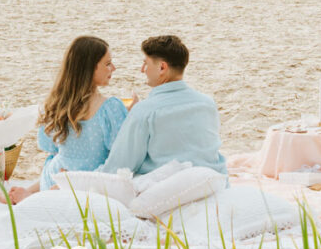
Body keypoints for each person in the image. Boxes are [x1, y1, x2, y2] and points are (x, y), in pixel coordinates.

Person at [2, 35, 129, 204]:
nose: (113, 68)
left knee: (57, 162)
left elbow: (48, 146)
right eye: (108, 63)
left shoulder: (56, 104)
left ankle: (33, 195)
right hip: (89, 183)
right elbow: (121, 156)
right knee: (79, 176)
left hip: (55, 178)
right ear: (90, 68)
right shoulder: (111, 108)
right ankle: (34, 197)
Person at [97, 35, 227, 176]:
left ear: (162, 67)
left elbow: (119, 166)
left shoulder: (145, 111)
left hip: (167, 186)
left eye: (146, 64)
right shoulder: (207, 103)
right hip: (212, 180)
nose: (142, 69)